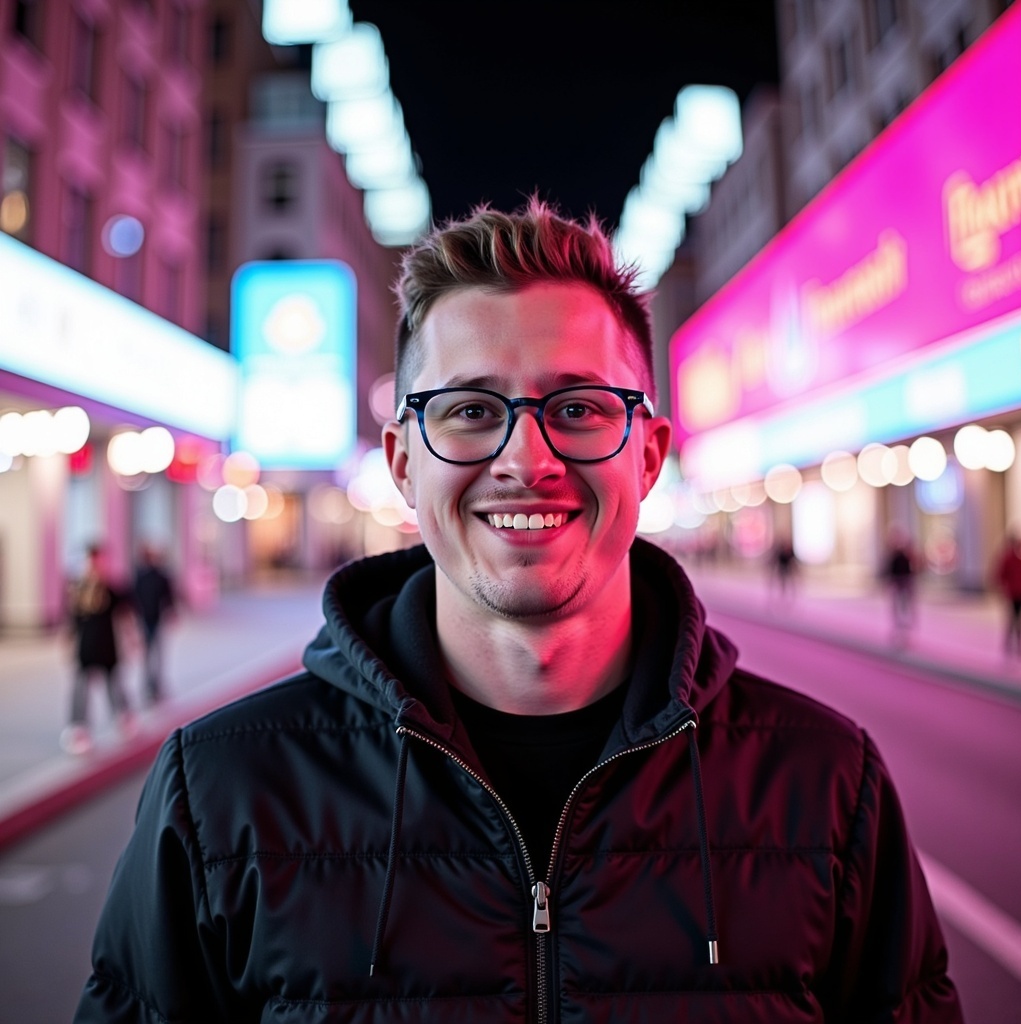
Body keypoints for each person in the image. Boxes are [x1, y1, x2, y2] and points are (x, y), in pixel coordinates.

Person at [74, 201, 962, 1021]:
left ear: (648, 457)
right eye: (469, 411)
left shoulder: (827, 783)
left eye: (577, 408)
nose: (525, 459)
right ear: (403, 462)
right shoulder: (222, 790)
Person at [61, 543, 135, 755]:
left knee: (114, 684)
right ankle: (78, 728)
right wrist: (68, 641)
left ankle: (124, 717)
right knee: (81, 688)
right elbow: (73, 620)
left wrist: (131, 639)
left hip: (107, 643)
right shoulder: (79, 588)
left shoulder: (110, 589)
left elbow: (125, 614)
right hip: (86, 645)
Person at [132, 542, 176, 703]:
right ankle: (149, 687)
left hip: (154, 619)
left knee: (155, 655)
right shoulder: (141, 576)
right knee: (149, 655)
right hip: (145, 620)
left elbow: (168, 596)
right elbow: (134, 599)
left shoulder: (158, 575)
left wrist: (171, 612)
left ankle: (155, 686)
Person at [883, 525, 918, 642]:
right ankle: (898, 630)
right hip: (898, 583)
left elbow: (913, 567)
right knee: (897, 608)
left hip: (906, 582)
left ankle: (906, 630)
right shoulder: (892, 553)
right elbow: (889, 570)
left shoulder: (906, 552)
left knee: (905, 607)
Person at [994, 530, 1021, 657]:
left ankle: (1015, 645)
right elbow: (1000, 575)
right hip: (1013, 593)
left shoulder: (1019, 559)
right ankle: (1010, 645)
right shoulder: (1009, 558)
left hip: (1019, 593)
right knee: (1014, 620)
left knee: (1016, 620)